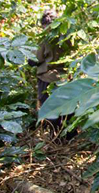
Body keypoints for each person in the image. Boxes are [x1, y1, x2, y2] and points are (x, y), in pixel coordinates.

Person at [29, 9, 76, 140]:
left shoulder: (44, 37)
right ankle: (70, 136)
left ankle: (54, 137)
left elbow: (35, 58)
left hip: (47, 77)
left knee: (49, 107)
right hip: (65, 77)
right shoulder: (67, 34)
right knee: (67, 107)